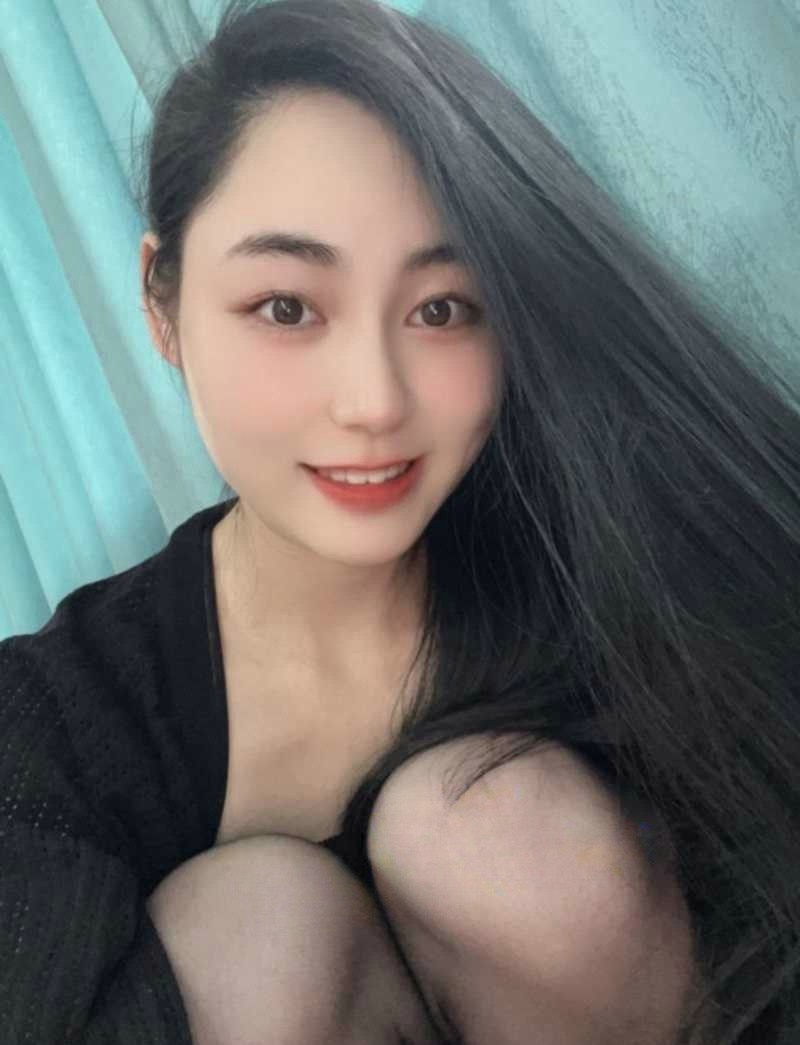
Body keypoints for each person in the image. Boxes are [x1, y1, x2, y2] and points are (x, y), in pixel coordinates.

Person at [2, 0, 799, 1041]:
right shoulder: (50, 730)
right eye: (287, 307)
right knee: (256, 932)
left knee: (490, 829)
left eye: (441, 308)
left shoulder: (623, 568)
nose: (375, 401)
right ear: (163, 304)